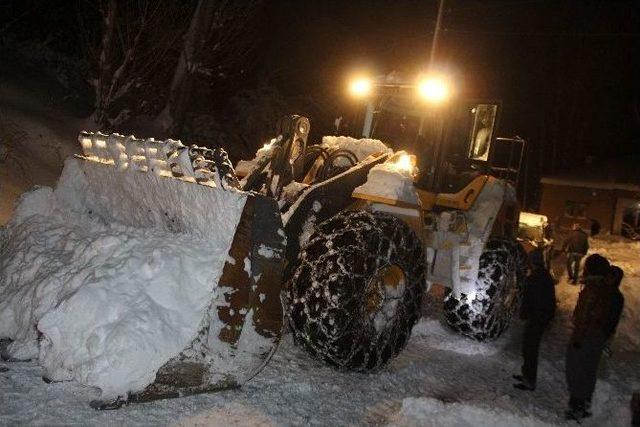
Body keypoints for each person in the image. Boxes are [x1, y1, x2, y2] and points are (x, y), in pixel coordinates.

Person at [565, 254, 614, 421]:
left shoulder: (592, 289)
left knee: (577, 369)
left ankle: (576, 408)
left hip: (586, 337)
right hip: (596, 336)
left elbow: (585, 316)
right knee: (588, 370)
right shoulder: (605, 287)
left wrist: (578, 338)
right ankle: (583, 403)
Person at [513, 248, 556, 391]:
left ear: (533, 261)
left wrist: (526, 314)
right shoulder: (544, 276)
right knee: (528, 348)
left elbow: (532, 299)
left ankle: (529, 381)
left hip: (536, 318)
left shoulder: (536, 278)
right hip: (540, 318)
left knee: (530, 349)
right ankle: (526, 375)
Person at [602, 265, 625, 356]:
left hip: (603, 331)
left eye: (610, 277)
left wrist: (606, 332)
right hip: (599, 330)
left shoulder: (615, 296)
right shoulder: (603, 291)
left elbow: (613, 318)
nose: (607, 279)